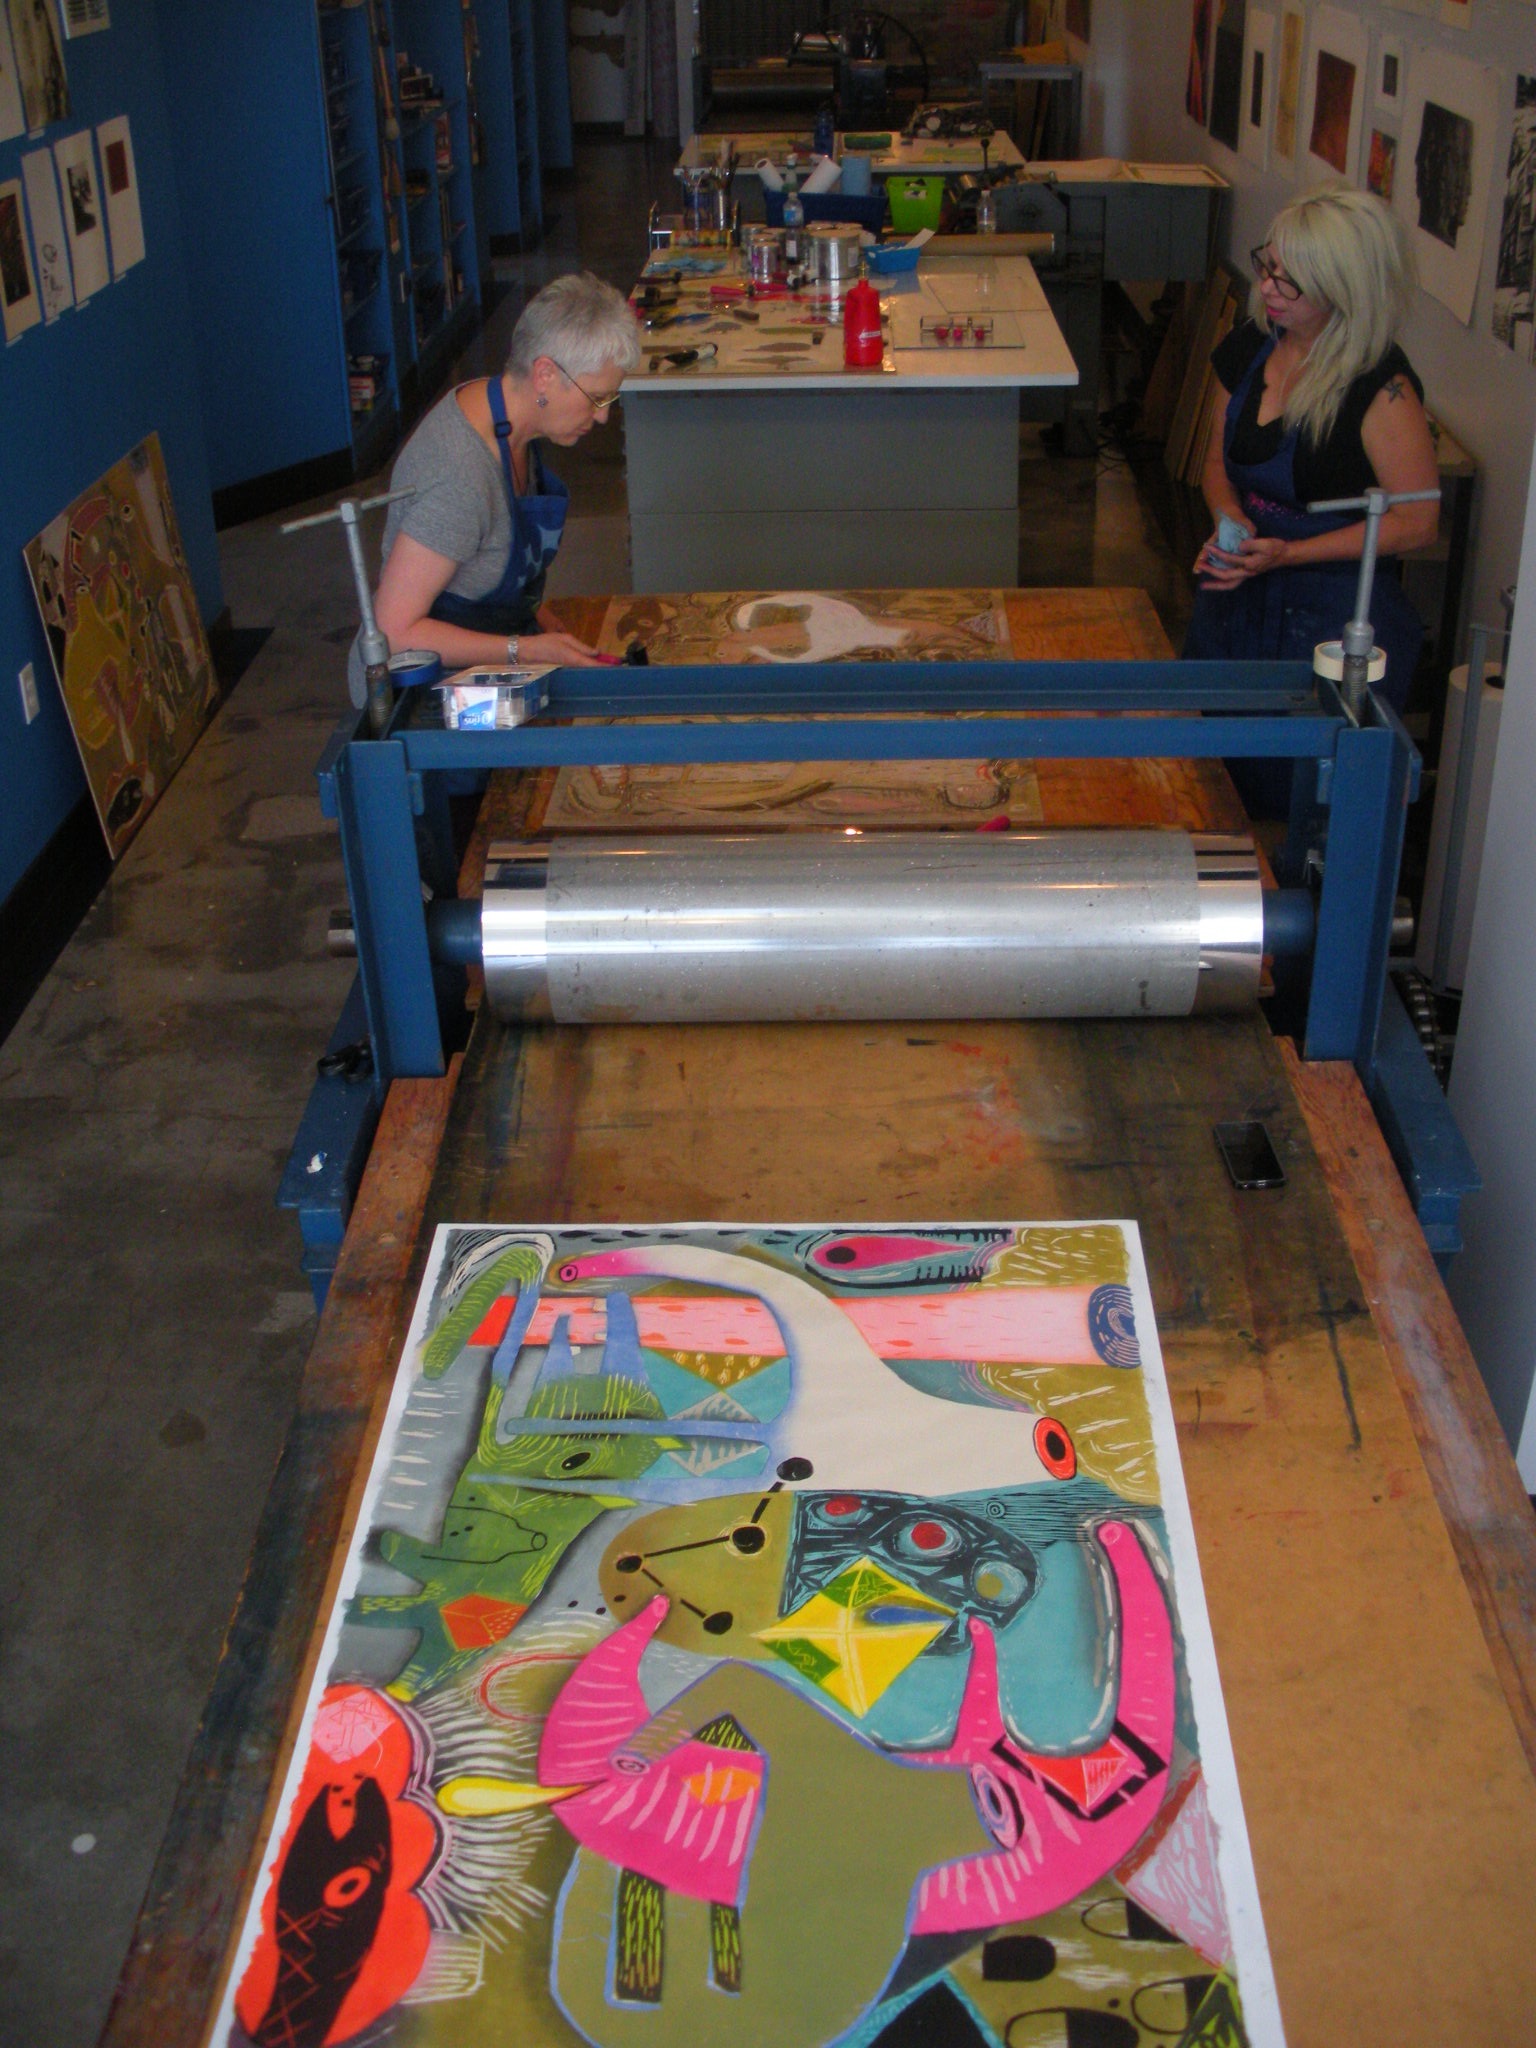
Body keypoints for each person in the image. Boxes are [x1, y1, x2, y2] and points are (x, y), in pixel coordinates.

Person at [1184, 187, 1439, 715]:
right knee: (1221, 737)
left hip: (1333, 611)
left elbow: (1418, 522)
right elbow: (1215, 463)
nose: (1267, 286)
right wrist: (1230, 522)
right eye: (1269, 265)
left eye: (1289, 278)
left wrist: (1289, 554)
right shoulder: (1250, 345)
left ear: (1342, 286)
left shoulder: (1381, 388)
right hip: (1240, 596)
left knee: (1307, 751)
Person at [360, 271, 641, 698]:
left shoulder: (514, 419)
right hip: (424, 692)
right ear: (545, 375)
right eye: (597, 398)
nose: (602, 416)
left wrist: (532, 614)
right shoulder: (460, 475)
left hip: (487, 665)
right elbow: (393, 633)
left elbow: (486, 562)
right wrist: (522, 649)